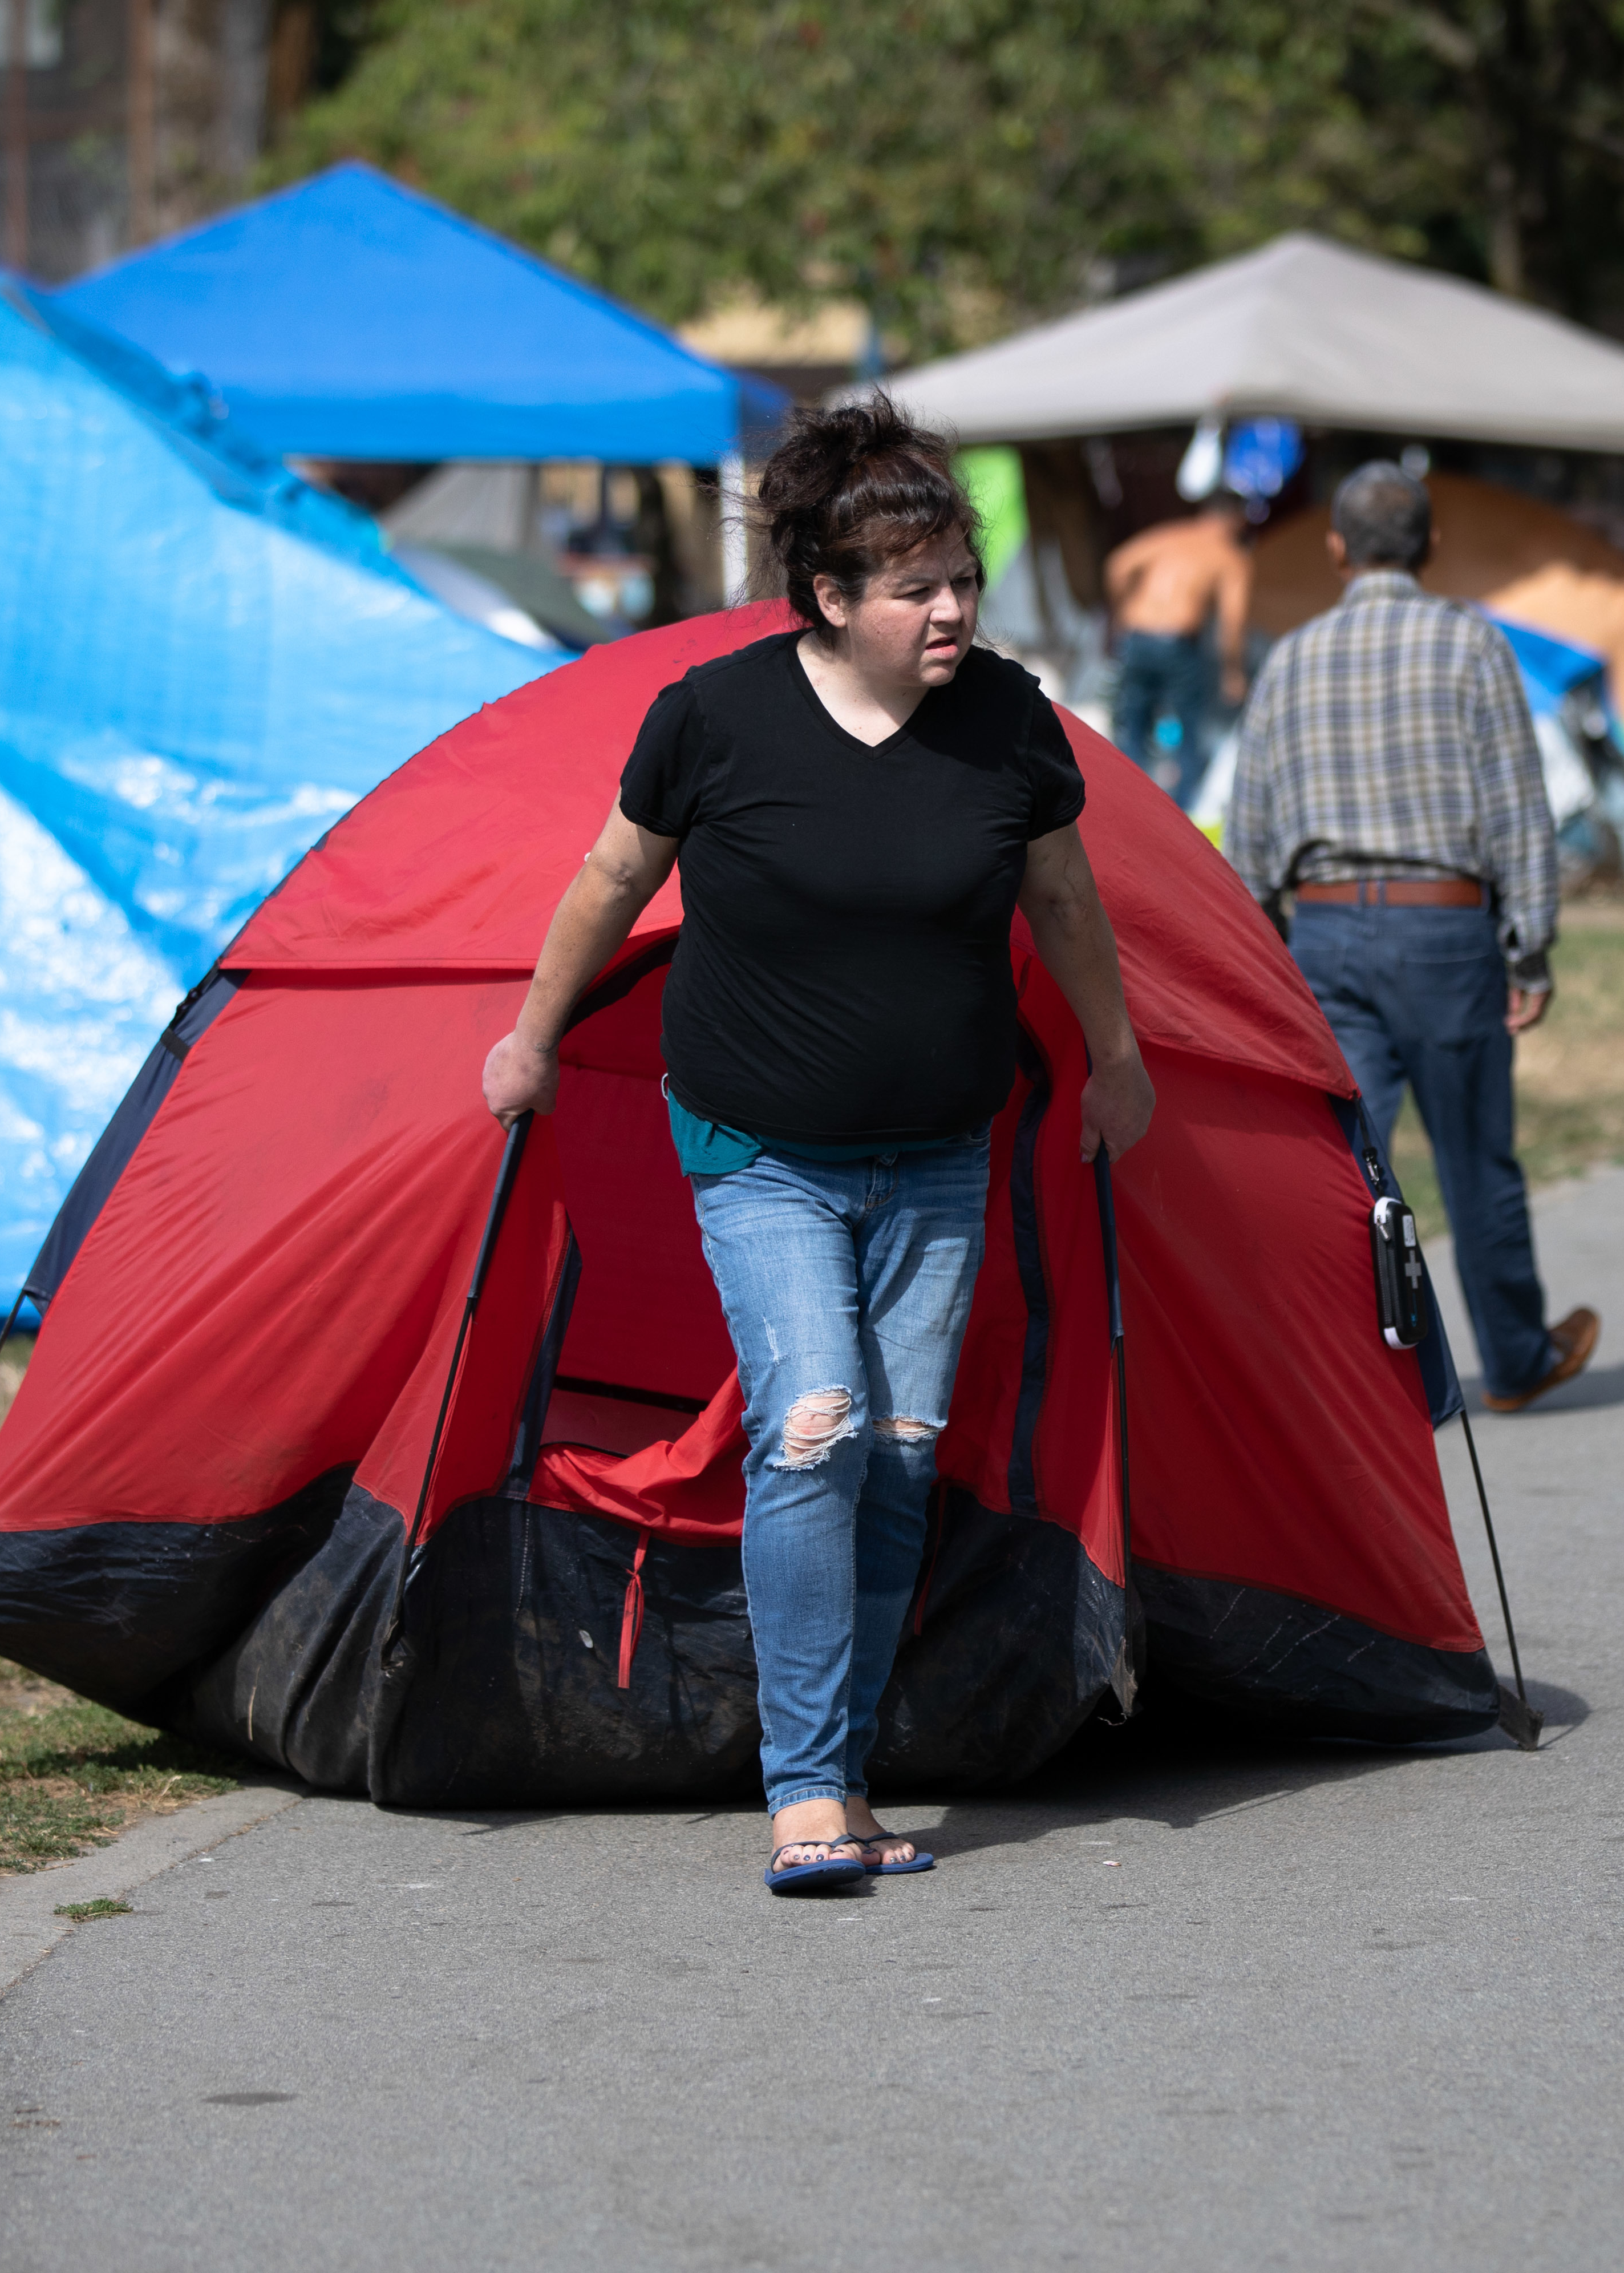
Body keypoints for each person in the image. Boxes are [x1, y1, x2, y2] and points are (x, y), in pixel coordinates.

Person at [478, 398, 1155, 1894]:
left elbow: (1063, 903)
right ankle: (800, 1793)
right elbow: (607, 881)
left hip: (937, 1154)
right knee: (818, 1427)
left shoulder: (1009, 720)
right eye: (918, 588)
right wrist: (533, 1035)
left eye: (962, 580)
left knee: (903, 1462)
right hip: (758, 1148)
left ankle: (840, 1775)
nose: (952, 610)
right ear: (830, 598)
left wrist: (1116, 1056)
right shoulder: (716, 717)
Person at [1229, 462, 1599, 1415]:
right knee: (1475, 1156)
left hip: (1326, 928)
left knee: (1349, 1163)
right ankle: (1513, 1358)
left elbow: (1251, 826)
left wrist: (1266, 941)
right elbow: (1518, 805)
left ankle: (1361, 1372)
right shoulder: (1472, 645)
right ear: (1431, 546)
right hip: (1443, 928)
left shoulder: (1290, 659)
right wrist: (1530, 943)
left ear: (1336, 549)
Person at [1104, 495, 1253, 811]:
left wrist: (1120, 615)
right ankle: (1181, 813)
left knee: (1133, 725)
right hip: (1177, 642)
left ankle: (1128, 807)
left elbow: (1117, 566)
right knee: (1188, 728)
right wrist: (1233, 671)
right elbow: (1232, 622)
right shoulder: (1229, 555)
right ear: (1236, 520)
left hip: (1137, 635)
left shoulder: (1170, 535)